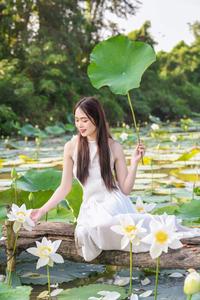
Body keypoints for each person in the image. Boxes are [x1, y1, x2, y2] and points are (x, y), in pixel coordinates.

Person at [30, 96, 199, 262]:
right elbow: (64, 188)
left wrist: (134, 163)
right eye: (77, 120)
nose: (80, 125)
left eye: (84, 120)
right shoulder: (71, 147)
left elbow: (125, 189)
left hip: (113, 201)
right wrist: (42, 210)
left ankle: (162, 227)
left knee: (105, 225)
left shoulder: (113, 146)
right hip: (90, 206)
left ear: (97, 119)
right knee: (86, 232)